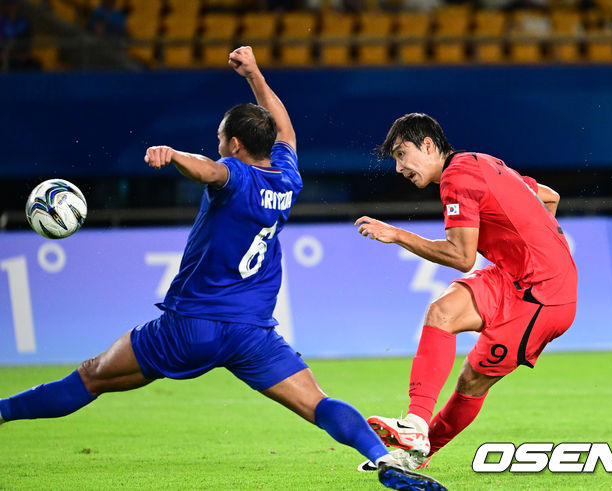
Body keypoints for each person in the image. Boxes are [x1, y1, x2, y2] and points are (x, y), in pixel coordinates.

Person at [0, 48, 444, 491]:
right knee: (318, 403)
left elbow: (210, 171)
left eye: (220, 137)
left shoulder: (235, 173)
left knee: (92, 376)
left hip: (191, 327)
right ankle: (384, 459)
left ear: (234, 144)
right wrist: (254, 75)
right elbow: (284, 127)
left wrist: (172, 154)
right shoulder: (288, 178)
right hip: (250, 334)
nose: (217, 144)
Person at [355, 113, 578, 471]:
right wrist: (547, 248)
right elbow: (549, 197)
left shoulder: (456, 178)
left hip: (542, 296)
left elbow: (461, 256)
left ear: (428, 145)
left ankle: (417, 449)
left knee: (472, 382)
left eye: (401, 154)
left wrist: (396, 234)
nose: (398, 168)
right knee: (441, 314)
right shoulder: (481, 162)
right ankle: (415, 429)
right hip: (521, 278)